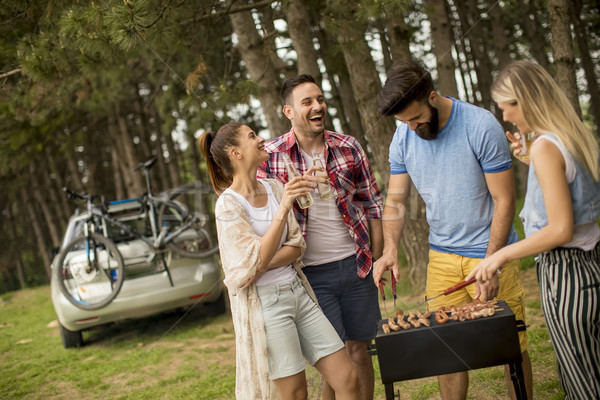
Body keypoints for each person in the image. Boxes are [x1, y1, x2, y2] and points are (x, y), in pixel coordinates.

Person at [373, 59, 533, 400]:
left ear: (432, 97)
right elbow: (396, 200)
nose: (411, 128)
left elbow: (504, 200)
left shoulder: (479, 124)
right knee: (445, 353)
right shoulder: (403, 135)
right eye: (403, 122)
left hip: (493, 252)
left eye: (415, 119)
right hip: (442, 258)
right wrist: (389, 251)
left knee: (510, 348)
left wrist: (491, 262)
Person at [466, 60, 600, 399]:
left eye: (509, 106)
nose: (507, 116)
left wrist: (498, 256)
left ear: (527, 98)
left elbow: (560, 229)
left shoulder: (545, 146)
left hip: (566, 274)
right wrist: (533, 161)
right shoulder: (568, 135)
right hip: (591, 267)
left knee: (581, 382)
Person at [199, 123, 359, 400]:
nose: (261, 139)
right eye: (252, 137)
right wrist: (284, 208)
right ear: (236, 152)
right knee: (295, 394)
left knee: (347, 378)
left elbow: (296, 247)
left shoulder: (273, 187)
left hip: (297, 293)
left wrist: (261, 260)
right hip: (266, 305)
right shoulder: (229, 205)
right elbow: (246, 267)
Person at [257, 74, 384, 400]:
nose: (318, 107)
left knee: (358, 350)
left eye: (320, 99)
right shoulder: (270, 157)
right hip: (310, 273)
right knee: (335, 358)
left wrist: (378, 261)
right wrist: (288, 195)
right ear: (288, 111)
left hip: (357, 266)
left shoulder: (348, 146)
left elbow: (373, 206)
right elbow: (258, 214)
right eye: (307, 102)